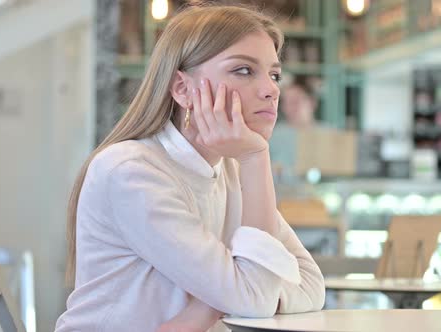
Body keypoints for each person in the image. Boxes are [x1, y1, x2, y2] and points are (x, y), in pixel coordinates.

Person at [54, 4, 325, 332]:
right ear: (182, 89)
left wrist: (221, 301)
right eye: (243, 70)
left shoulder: (229, 172)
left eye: (274, 74)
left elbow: (311, 285)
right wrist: (256, 159)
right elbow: (254, 299)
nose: (271, 90)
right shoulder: (130, 172)